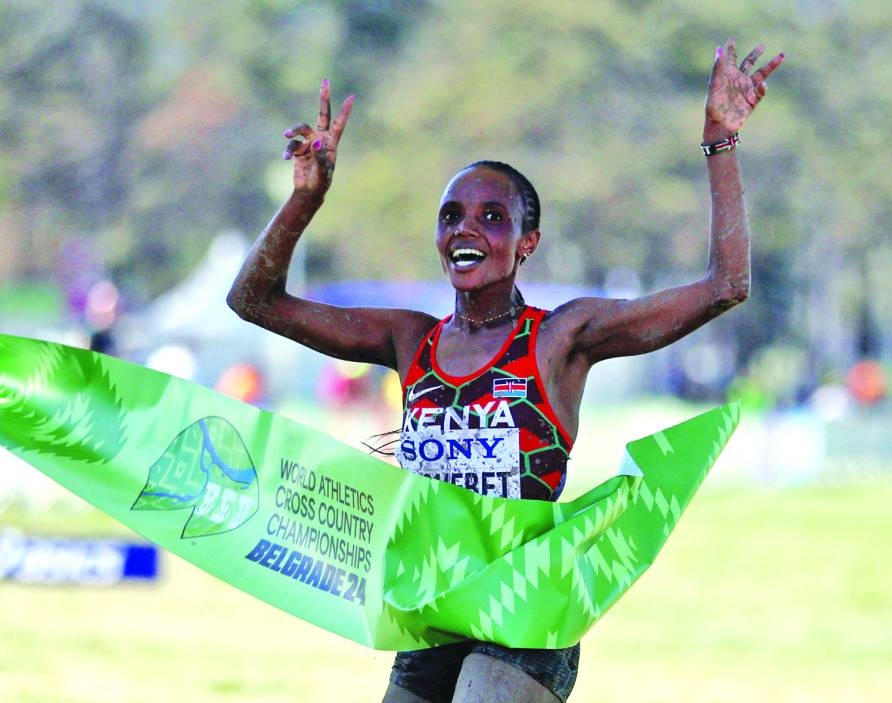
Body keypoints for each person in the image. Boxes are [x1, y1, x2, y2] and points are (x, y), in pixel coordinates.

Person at [228, 37, 782, 703]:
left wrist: (719, 143)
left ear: (527, 243)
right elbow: (252, 301)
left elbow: (726, 284)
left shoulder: (560, 338)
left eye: (494, 217)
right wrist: (304, 201)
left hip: (527, 610)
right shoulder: (410, 340)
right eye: (452, 216)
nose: (469, 229)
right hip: (435, 609)